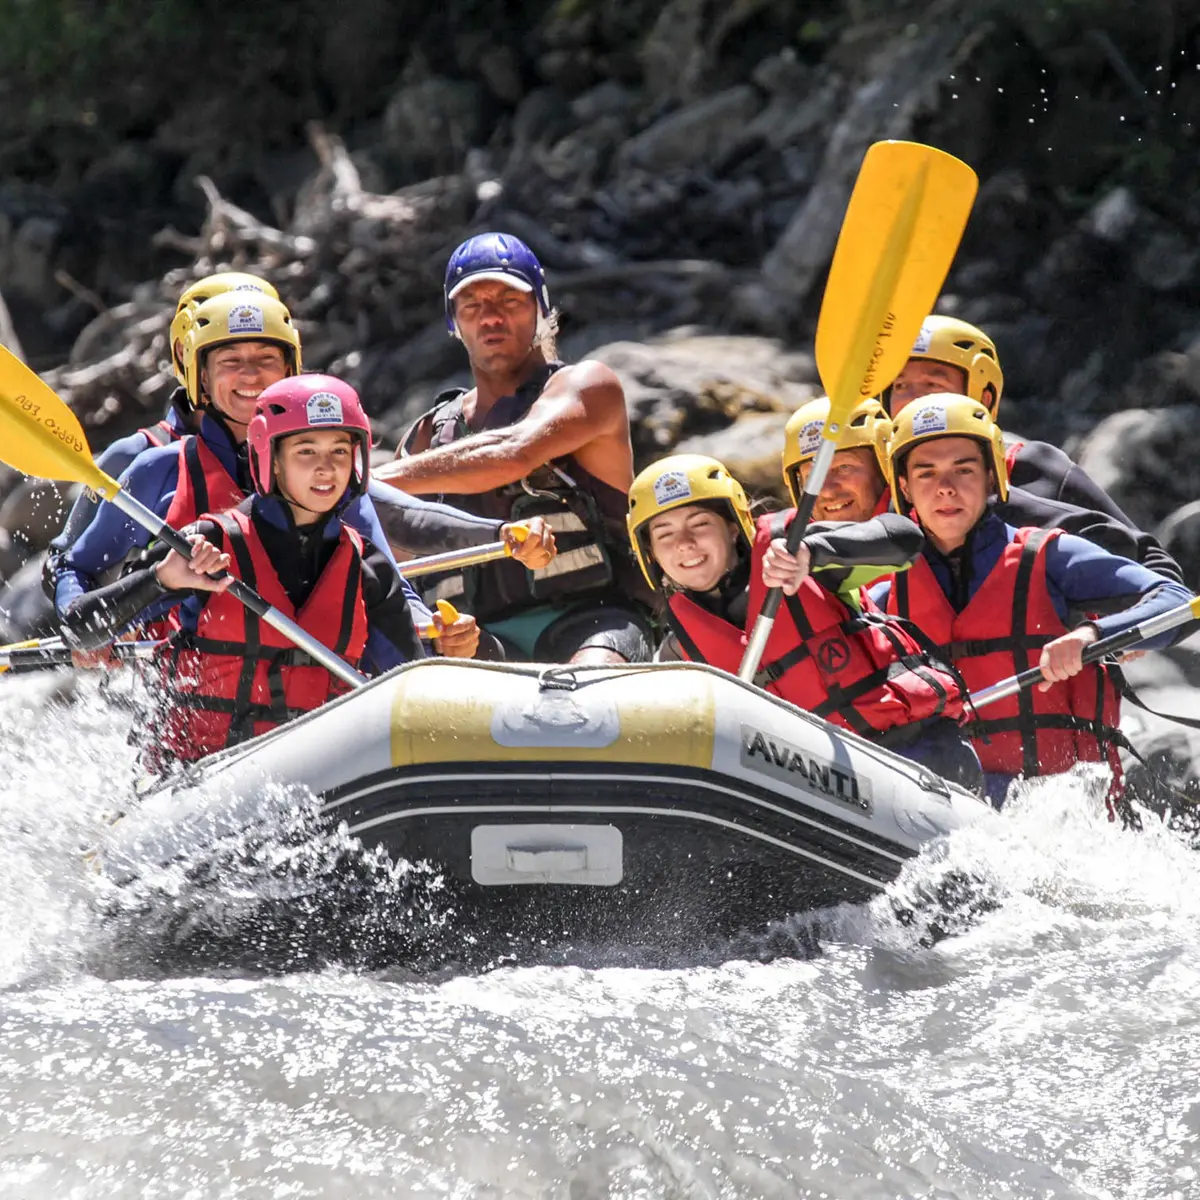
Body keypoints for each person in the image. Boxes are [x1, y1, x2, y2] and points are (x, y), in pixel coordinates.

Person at [61, 376, 442, 763]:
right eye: (307, 452)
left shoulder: (368, 568)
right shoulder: (204, 544)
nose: (327, 469)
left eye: (340, 452)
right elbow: (80, 632)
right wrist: (162, 579)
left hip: (321, 773)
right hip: (201, 772)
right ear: (271, 459)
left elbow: (410, 685)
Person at [868, 393, 1197, 810]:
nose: (945, 488)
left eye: (963, 470)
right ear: (904, 487)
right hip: (948, 812)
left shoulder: (1050, 558)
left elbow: (1177, 603)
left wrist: (1093, 634)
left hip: (1061, 812)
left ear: (992, 478)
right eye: (926, 473)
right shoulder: (886, 595)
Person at [373, 231, 655, 666]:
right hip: (475, 637)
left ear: (539, 308)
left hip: (594, 618)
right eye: (472, 306)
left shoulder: (588, 386)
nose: (491, 318)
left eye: (510, 302)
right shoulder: (429, 433)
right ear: (454, 323)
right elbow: (392, 541)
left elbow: (514, 452)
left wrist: (364, 480)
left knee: (585, 686)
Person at [626, 454, 984, 792]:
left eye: (700, 524)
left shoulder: (800, 554)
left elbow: (904, 538)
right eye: (664, 535)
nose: (685, 544)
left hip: (914, 753)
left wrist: (815, 554)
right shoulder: (680, 647)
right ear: (651, 555)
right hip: (821, 790)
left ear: (734, 529)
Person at [881, 314, 1183, 581]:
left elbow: (1153, 566)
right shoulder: (874, 480)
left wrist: (1106, 628)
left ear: (983, 398)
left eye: (933, 385)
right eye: (900, 386)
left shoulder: (1031, 468)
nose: (914, 401)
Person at [43, 272, 279, 592]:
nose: (251, 374)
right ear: (188, 353)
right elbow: (61, 565)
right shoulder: (136, 457)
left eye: (266, 355)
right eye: (230, 356)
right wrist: (103, 622)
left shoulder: (302, 460)